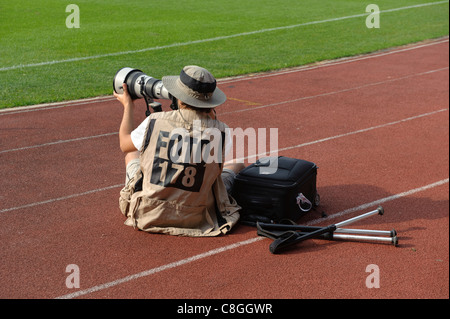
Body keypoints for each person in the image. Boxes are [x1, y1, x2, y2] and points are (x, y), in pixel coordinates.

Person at [114, 65, 244, 236]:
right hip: (198, 215)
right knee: (237, 165)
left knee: (132, 153)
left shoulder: (154, 120)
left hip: (151, 212)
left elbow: (124, 143)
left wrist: (127, 105)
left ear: (179, 100)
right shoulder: (221, 131)